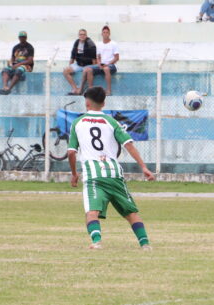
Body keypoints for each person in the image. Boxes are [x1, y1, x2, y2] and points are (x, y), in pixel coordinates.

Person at [67, 86, 155, 250]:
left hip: (93, 175)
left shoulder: (77, 123)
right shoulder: (111, 121)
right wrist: (144, 167)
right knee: (131, 212)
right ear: (104, 103)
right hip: (114, 173)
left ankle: (96, 242)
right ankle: (145, 244)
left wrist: (74, 174)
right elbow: (128, 145)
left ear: (87, 102)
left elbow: (71, 152)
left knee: (92, 211)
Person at [83, 26, 119, 96]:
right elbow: (98, 57)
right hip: (101, 65)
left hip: (111, 65)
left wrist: (107, 64)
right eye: (104, 32)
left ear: (109, 34)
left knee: (106, 69)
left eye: (107, 32)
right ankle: (90, 91)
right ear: (102, 34)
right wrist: (99, 64)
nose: (105, 34)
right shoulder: (99, 44)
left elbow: (116, 58)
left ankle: (108, 91)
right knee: (88, 69)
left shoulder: (114, 44)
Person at [0, 31, 34, 95]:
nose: (22, 38)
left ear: (26, 38)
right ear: (19, 38)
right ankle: (5, 87)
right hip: (16, 64)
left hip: (26, 66)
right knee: (5, 70)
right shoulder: (15, 47)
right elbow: (13, 58)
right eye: (21, 37)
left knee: (19, 70)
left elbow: (30, 61)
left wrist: (18, 64)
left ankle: (9, 88)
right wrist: (11, 63)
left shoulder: (30, 47)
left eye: (23, 37)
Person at [63, 29, 97, 95]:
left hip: (87, 65)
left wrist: (93, 68)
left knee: (87, 71)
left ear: (86, 35)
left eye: (84, 34)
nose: (82, 36)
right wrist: (70, 66)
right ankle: (75, 89)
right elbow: (72, 56)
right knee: (65, 71)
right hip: (79, 64)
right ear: (78, 35)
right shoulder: (77, 42)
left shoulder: (91, 44)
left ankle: (84, 90)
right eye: (81, 34)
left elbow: (94, 59)